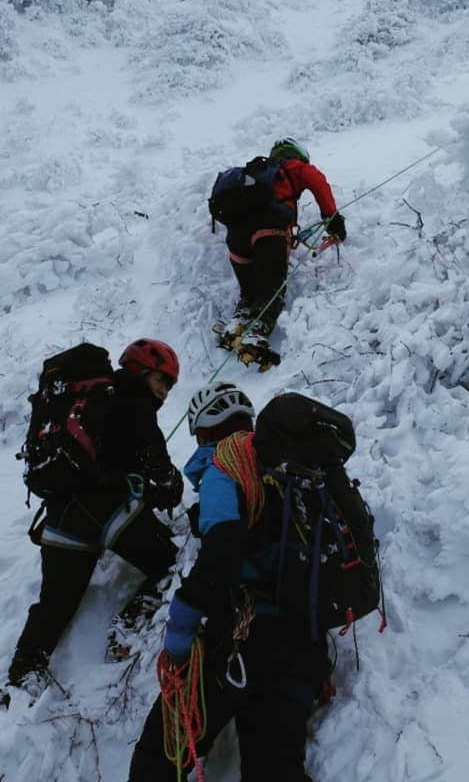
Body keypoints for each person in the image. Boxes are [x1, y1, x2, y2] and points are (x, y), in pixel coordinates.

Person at [127, 382, 331, 782]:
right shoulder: (299, 474)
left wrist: (181, 628)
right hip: (302, 645)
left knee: (157, 760)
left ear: (202, 432)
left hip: (236, 642)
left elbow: (224, 548)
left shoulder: (225, 464)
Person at [5, 338, 184, 694]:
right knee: (171, 564)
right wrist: (166, 487)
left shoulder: (84, 400)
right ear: (141, 372)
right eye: (161, 381)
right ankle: (126, 629)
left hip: (61, 516)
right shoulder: (135, 400)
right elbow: (163, 474)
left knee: (55, 604)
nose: (164, 393)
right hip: (109, 512)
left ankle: (25, 673)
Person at [222, 137, 345, 349]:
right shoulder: (293, 167)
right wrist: (333, 219)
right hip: (270, 230)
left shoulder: (253, 173)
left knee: (249, 290)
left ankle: (239, 321)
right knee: (271, 287)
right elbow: (318, 182)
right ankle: (257, 331)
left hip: (237, 235)